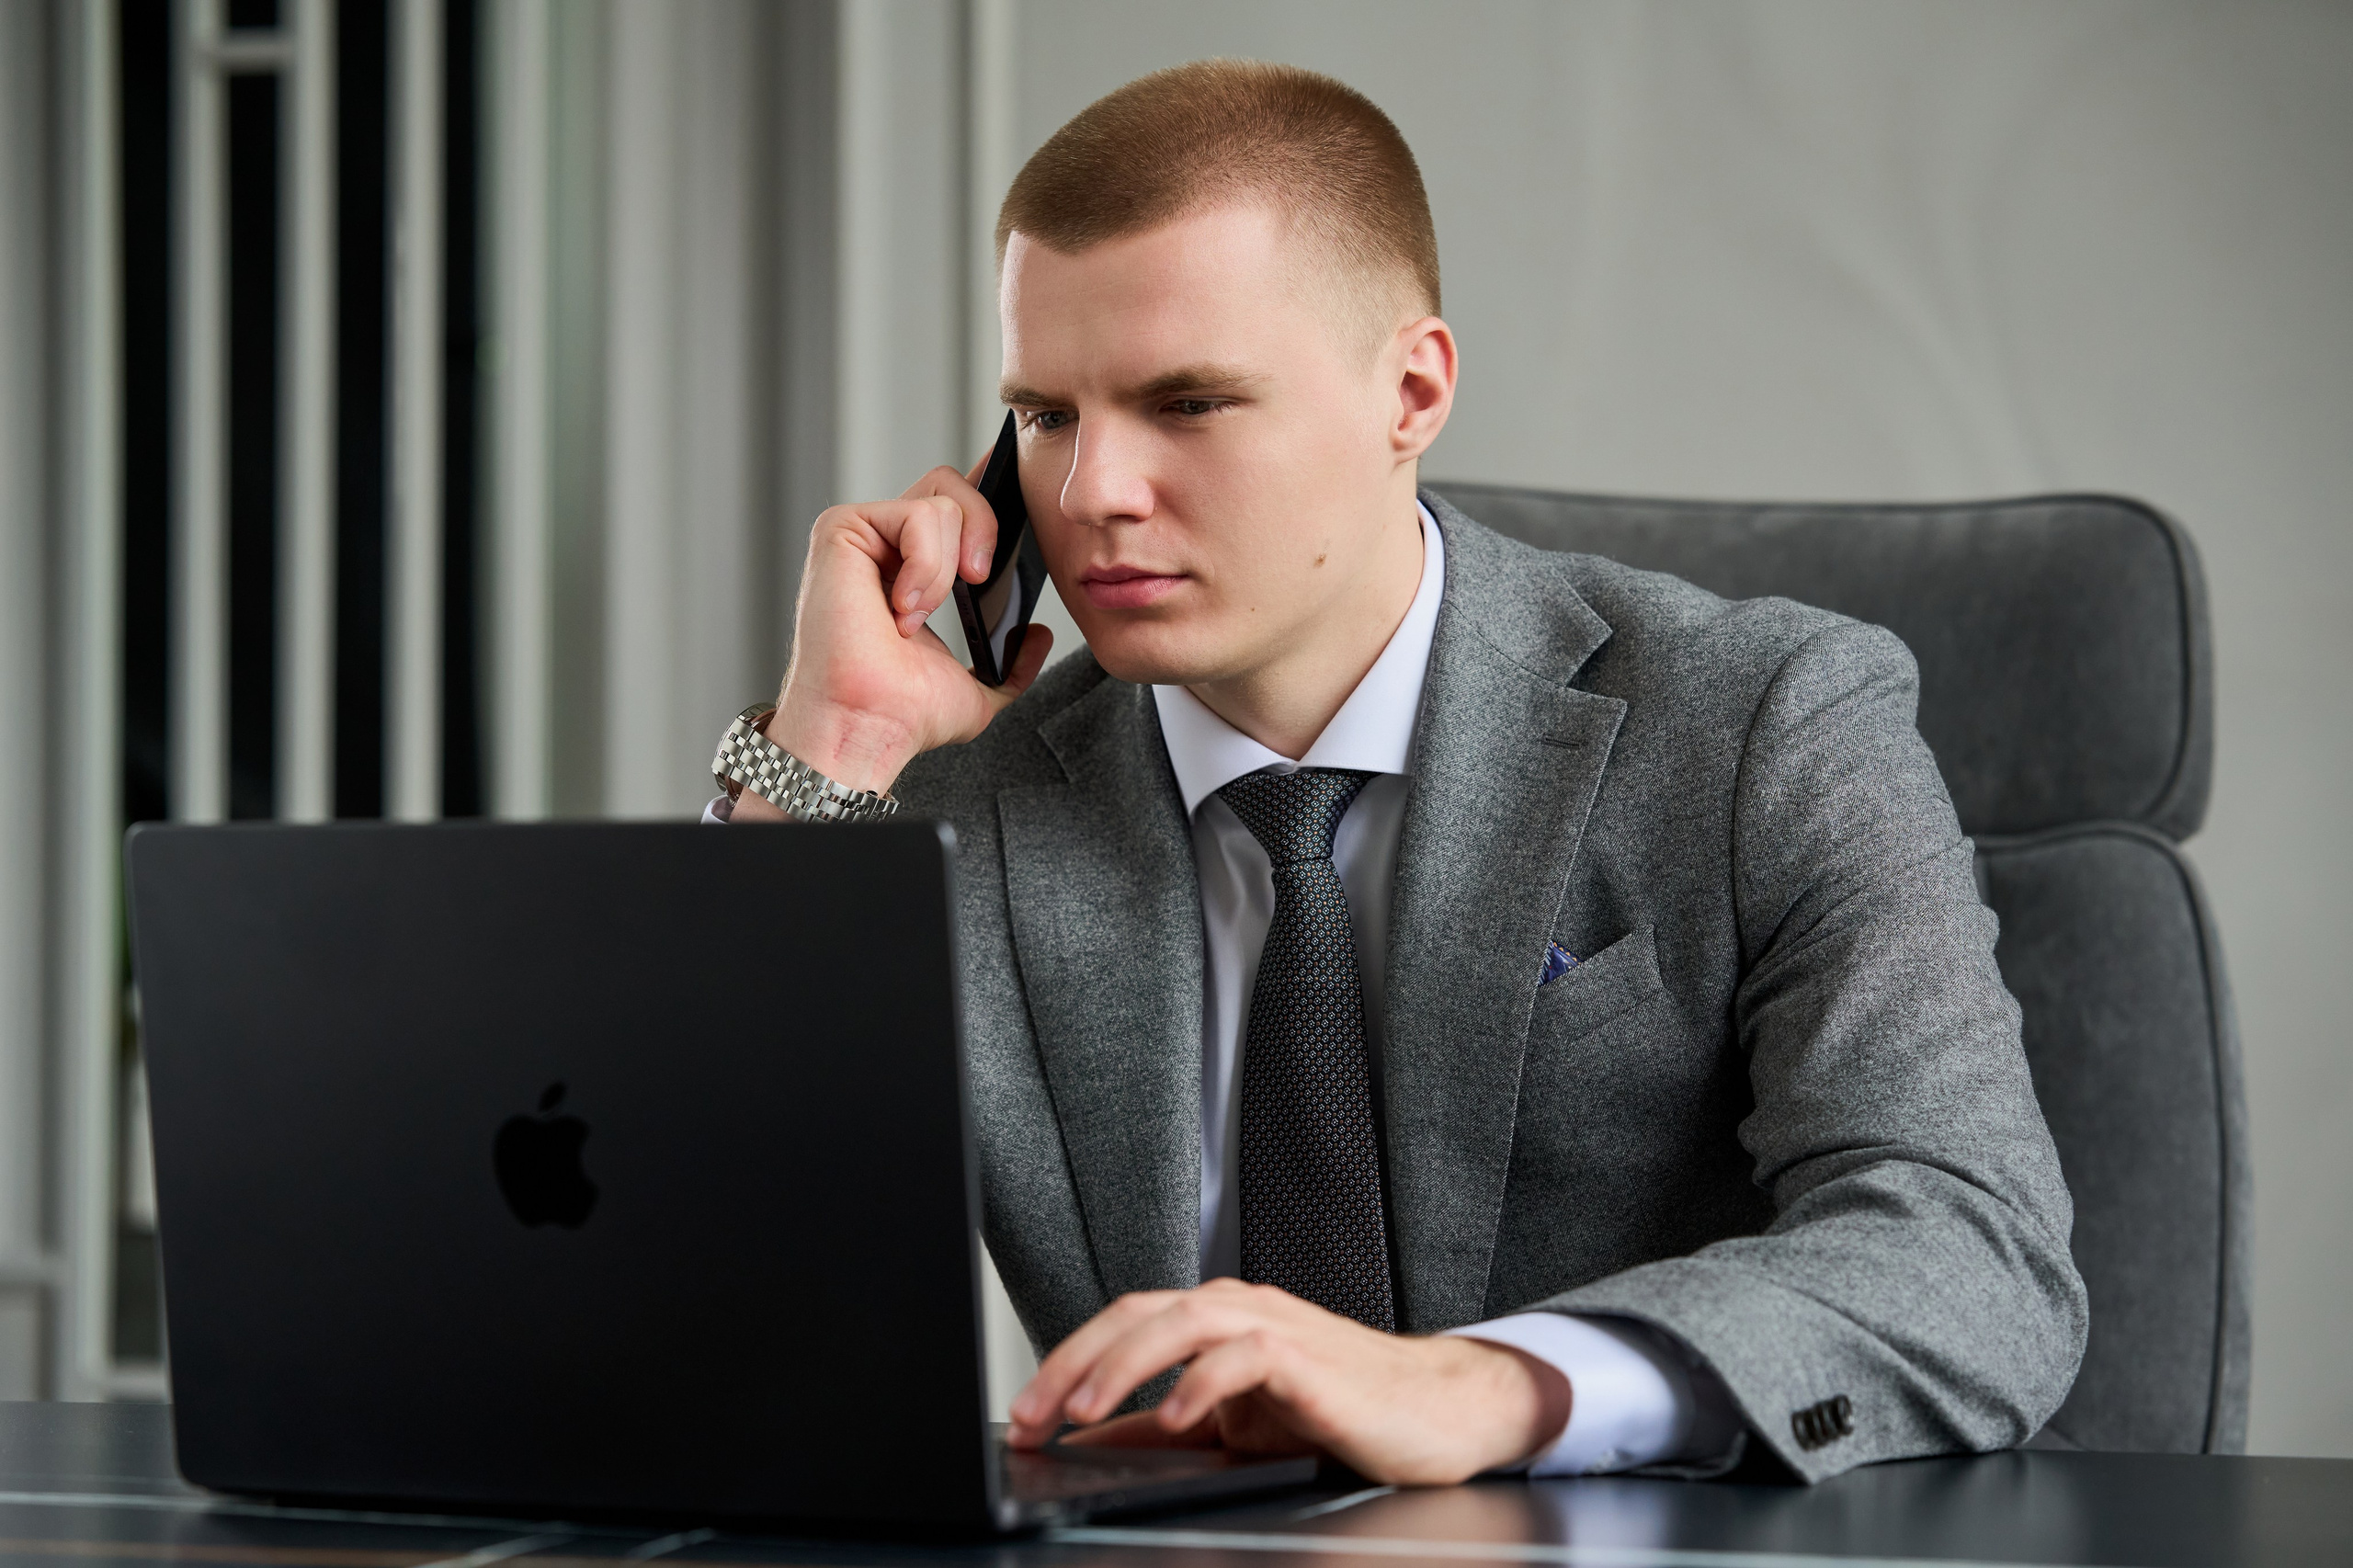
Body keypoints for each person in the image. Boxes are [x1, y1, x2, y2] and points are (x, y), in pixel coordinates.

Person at [710, 60, 2085, 1485]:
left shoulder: (1760, 725)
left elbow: (1971, 1251)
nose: (1090, 494)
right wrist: (835, 747)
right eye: (1048, 415)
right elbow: (674, 1264)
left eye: (1188, 403)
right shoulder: (953, 795)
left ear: (1412, 390)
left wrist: (1494, 1384)